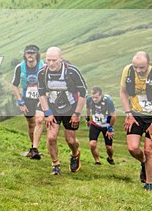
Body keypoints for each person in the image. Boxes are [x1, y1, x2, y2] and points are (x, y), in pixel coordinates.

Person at [119, 51, 152, 191]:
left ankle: (148, 184)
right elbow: (123, 92)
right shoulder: (128, 71)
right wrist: (128, 113)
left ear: (149, 63)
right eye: (136, 67)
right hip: (136, 114)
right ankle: (143, 163)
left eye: (142, 67)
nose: (138, 70)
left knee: (149, 150)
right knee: (132, 148)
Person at [37, 47, 88, 175]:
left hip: (71, 107)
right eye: (48, 60)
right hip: (53, 107)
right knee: (51, 137)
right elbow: (41, 93)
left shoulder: (72, 72)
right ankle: (55, 164)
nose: (51, 63)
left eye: (54, 60)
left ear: (61, 58)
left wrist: (77, 113)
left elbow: (83, 92)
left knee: (70, 140)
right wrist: (47, 112)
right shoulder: (42, 73)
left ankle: (75, 154)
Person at [10, 44, 45, 159]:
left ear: (37, 55)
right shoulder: (20, 67)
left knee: (39, 120)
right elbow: (14, 85)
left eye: (33, 53)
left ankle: (35, 148)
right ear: (25, 55)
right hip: (27, 98)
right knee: (31, 124)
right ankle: (33, 148)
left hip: (41, 98)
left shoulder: (43, 67)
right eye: (28, 53)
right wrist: (20, 102)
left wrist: (44, 100)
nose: (30, 55)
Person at [85, 86, 116, 165]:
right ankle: (97, 161)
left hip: (106, 125)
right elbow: (88, 110)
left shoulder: (108, 101)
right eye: (93, 97)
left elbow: (113, 116)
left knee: (109, 147)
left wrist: (110, 129)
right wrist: (87, 119)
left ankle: (110, 158)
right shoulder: (89, 100)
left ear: (101, 95)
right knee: (92, 144)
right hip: (95, 124)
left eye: (96, 97)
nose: (94, 99)